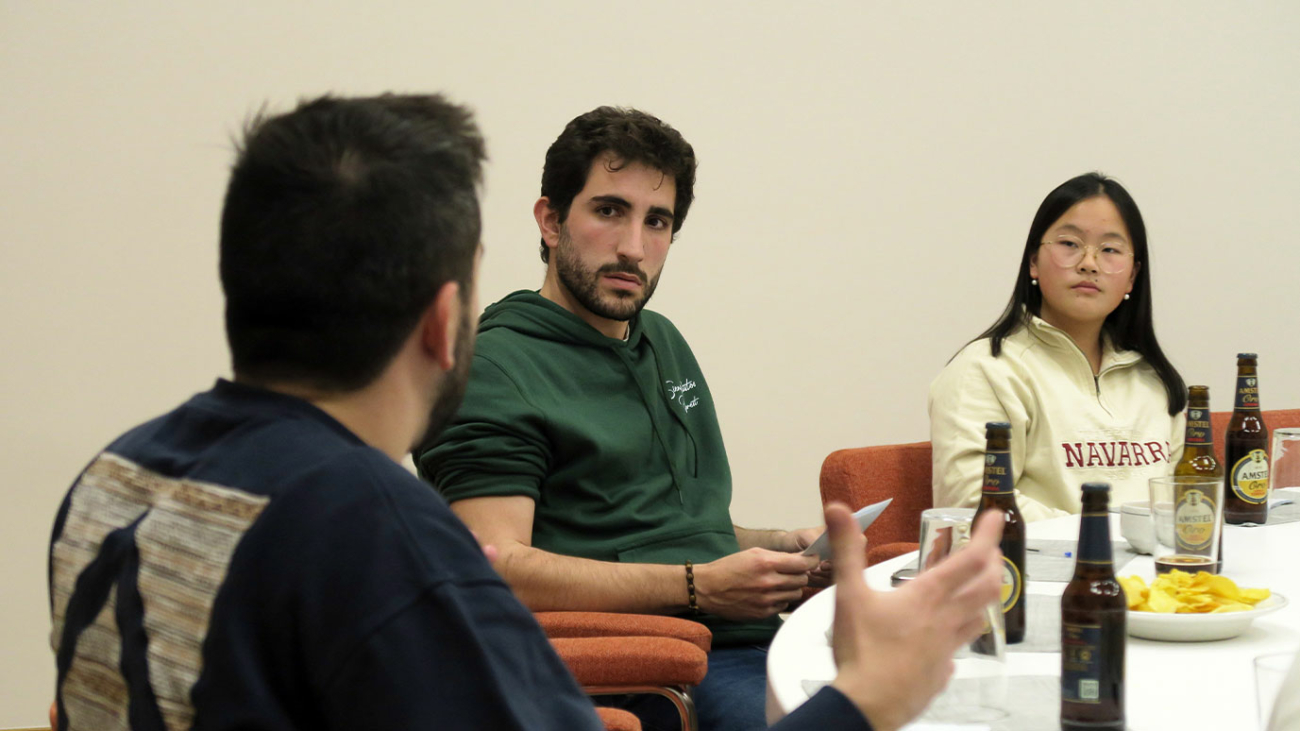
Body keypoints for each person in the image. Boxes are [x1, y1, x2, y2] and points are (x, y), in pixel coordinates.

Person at [47, 93, 1006, 731]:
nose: (634, 243)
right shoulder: (388, 546)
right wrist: (870, 697)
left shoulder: (113, 476)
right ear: (444, 320)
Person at [416, 106, 828, 730]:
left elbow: (649, 526)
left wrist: (778, 550)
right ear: (551, 220)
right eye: (609, 211)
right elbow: (497, 567)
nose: (633, 248)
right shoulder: (495, 366)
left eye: (656, 221)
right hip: (656, 665)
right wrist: (699, 587)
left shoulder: (659, 339)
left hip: (753, 639)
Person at [929, 172, 1186, 521]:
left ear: (1132, 276)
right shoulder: (986, 370)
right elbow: (972, 503)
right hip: (1041, 571)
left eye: (1110, 250)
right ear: (1033, 261)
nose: (1088, 263)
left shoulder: (1155, 381)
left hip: (1156, 570)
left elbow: (1187, 498)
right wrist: (1099, 539)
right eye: (1069, 244)